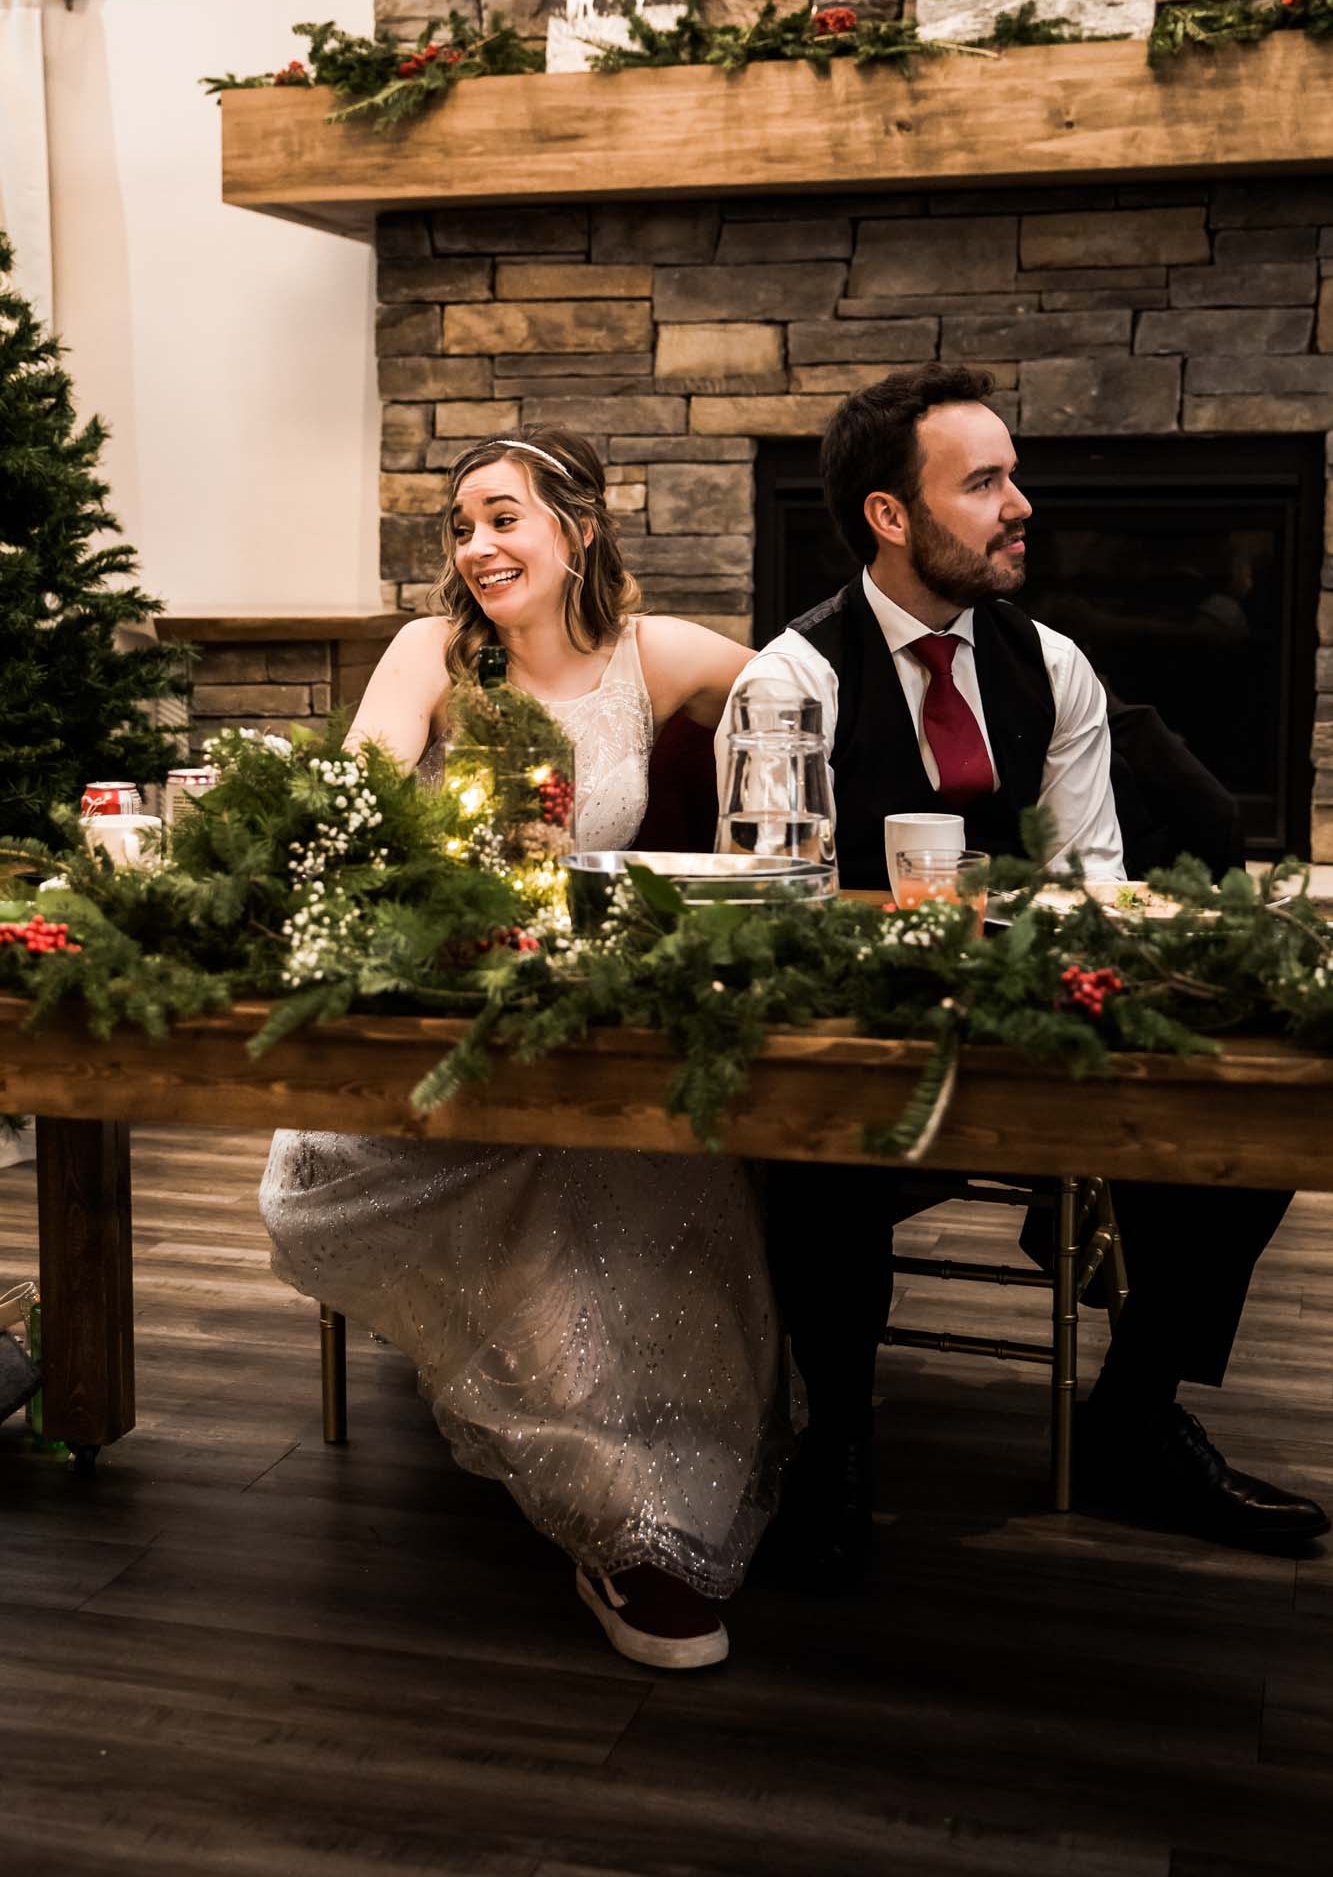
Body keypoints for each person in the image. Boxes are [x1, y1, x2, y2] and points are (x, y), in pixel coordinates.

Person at [720, 364, 1328, 1581]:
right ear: (890, 516)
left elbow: (1091, 876)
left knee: (1247, 1113)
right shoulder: (789, 682)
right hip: (868, 1040)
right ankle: (836, 1439)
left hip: (1033, 1015)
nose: (1021, 505)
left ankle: (1134, 1414)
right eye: (984, 481)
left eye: (1013, 475)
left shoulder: (1052, 665)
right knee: (818, 1127)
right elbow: (769, 918)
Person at [260, 427, 783, 1670]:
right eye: (461, 526)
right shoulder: (432, 652)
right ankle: (612, 1511)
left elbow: (802, 680)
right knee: (555, 1169)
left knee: (642, 1147)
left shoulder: (652, 656)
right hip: (447, 1032)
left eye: (503, 516)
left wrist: (769, 792)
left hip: (594, 1017)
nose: (477, 545)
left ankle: (663, 1489)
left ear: (578, 528)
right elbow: (359, 816)